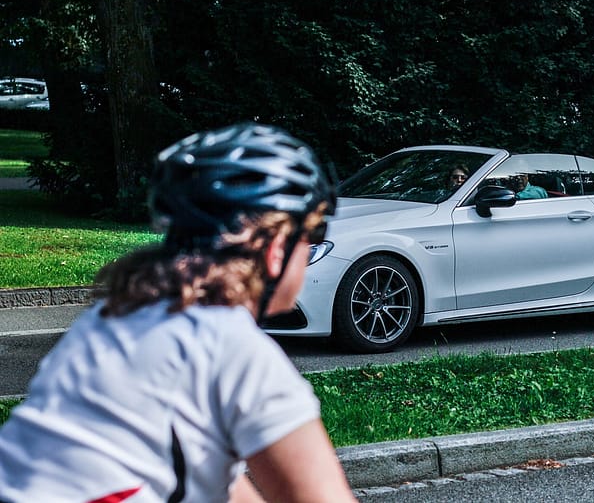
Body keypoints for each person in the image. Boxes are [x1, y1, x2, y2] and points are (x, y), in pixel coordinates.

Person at [0, 123, 357, 502]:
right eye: (312, 237)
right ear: (274, 249)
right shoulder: (231, 348)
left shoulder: (114, 319)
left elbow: (211, 475)